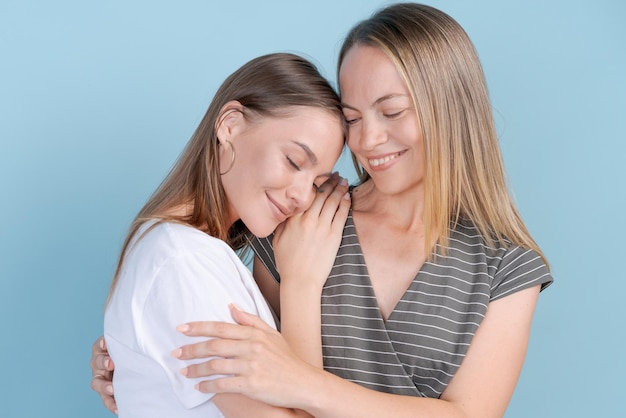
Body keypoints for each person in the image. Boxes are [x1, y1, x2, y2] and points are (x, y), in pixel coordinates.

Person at [92, 3, 553, 417]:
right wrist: (143, 363)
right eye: (352, 118)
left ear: (449, 110)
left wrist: (309, 386)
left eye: (391, 112)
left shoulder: (505, 269)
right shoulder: (299, 220)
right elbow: (243, 370)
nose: (367, 141)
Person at [97, 52, 350, 417]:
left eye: (317, 183)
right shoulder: (184, 262)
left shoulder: (183, 253)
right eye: (294, 161)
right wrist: (302, 284)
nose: (301, 195)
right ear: (229, 125)